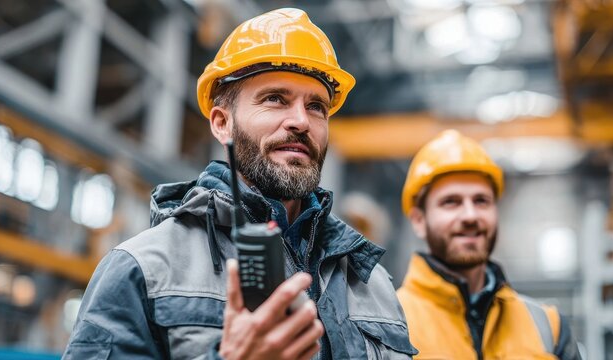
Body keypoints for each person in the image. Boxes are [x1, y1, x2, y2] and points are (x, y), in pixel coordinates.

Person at [63, 8, 416, 360]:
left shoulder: (376, 286)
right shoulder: (142, 269)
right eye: (275, 99)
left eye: (316, 107)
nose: (300, 121)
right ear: (221, 123)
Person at [397, 129, 581, 359]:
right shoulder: (389, 324)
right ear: (419, 220)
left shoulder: (549, 327)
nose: (470, 215)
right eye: (451, 202)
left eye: (481, 201)